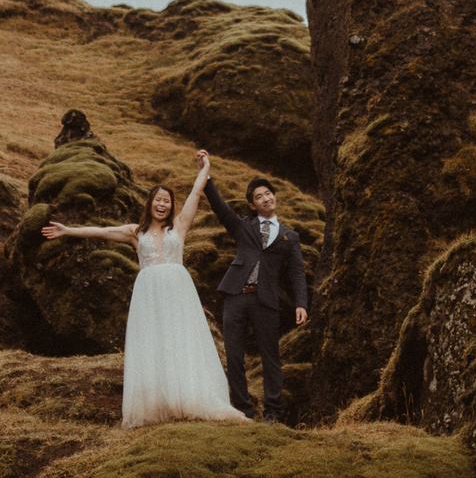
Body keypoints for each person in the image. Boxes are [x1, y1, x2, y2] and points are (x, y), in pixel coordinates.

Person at [41, 153, 244, 429]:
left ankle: (190, 398)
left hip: (177, 292)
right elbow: (102, 232)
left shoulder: (180, 226)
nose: (162, 204)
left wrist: (205, 169)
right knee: (154, 343)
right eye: (158, 200)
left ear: (171, 206)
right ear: (149, 204)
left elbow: (196, 193)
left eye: (166, 201)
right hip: (149, 295)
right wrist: (68, 231)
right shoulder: (135, 232)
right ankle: (160, 403)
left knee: (180, 340)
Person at [200, 160, 308, 424]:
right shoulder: (242, 227)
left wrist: (301, 303)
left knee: (271, 357)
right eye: (259, 196)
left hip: (266, 300)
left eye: (268, 193)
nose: (265, 198)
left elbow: (297, 272)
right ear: (253, 205)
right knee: (234, 355)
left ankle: (273, 412)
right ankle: (243, 410)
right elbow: (220, 207)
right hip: (236, 295)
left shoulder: (289, 237)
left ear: (274, 197)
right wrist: (206, 174)